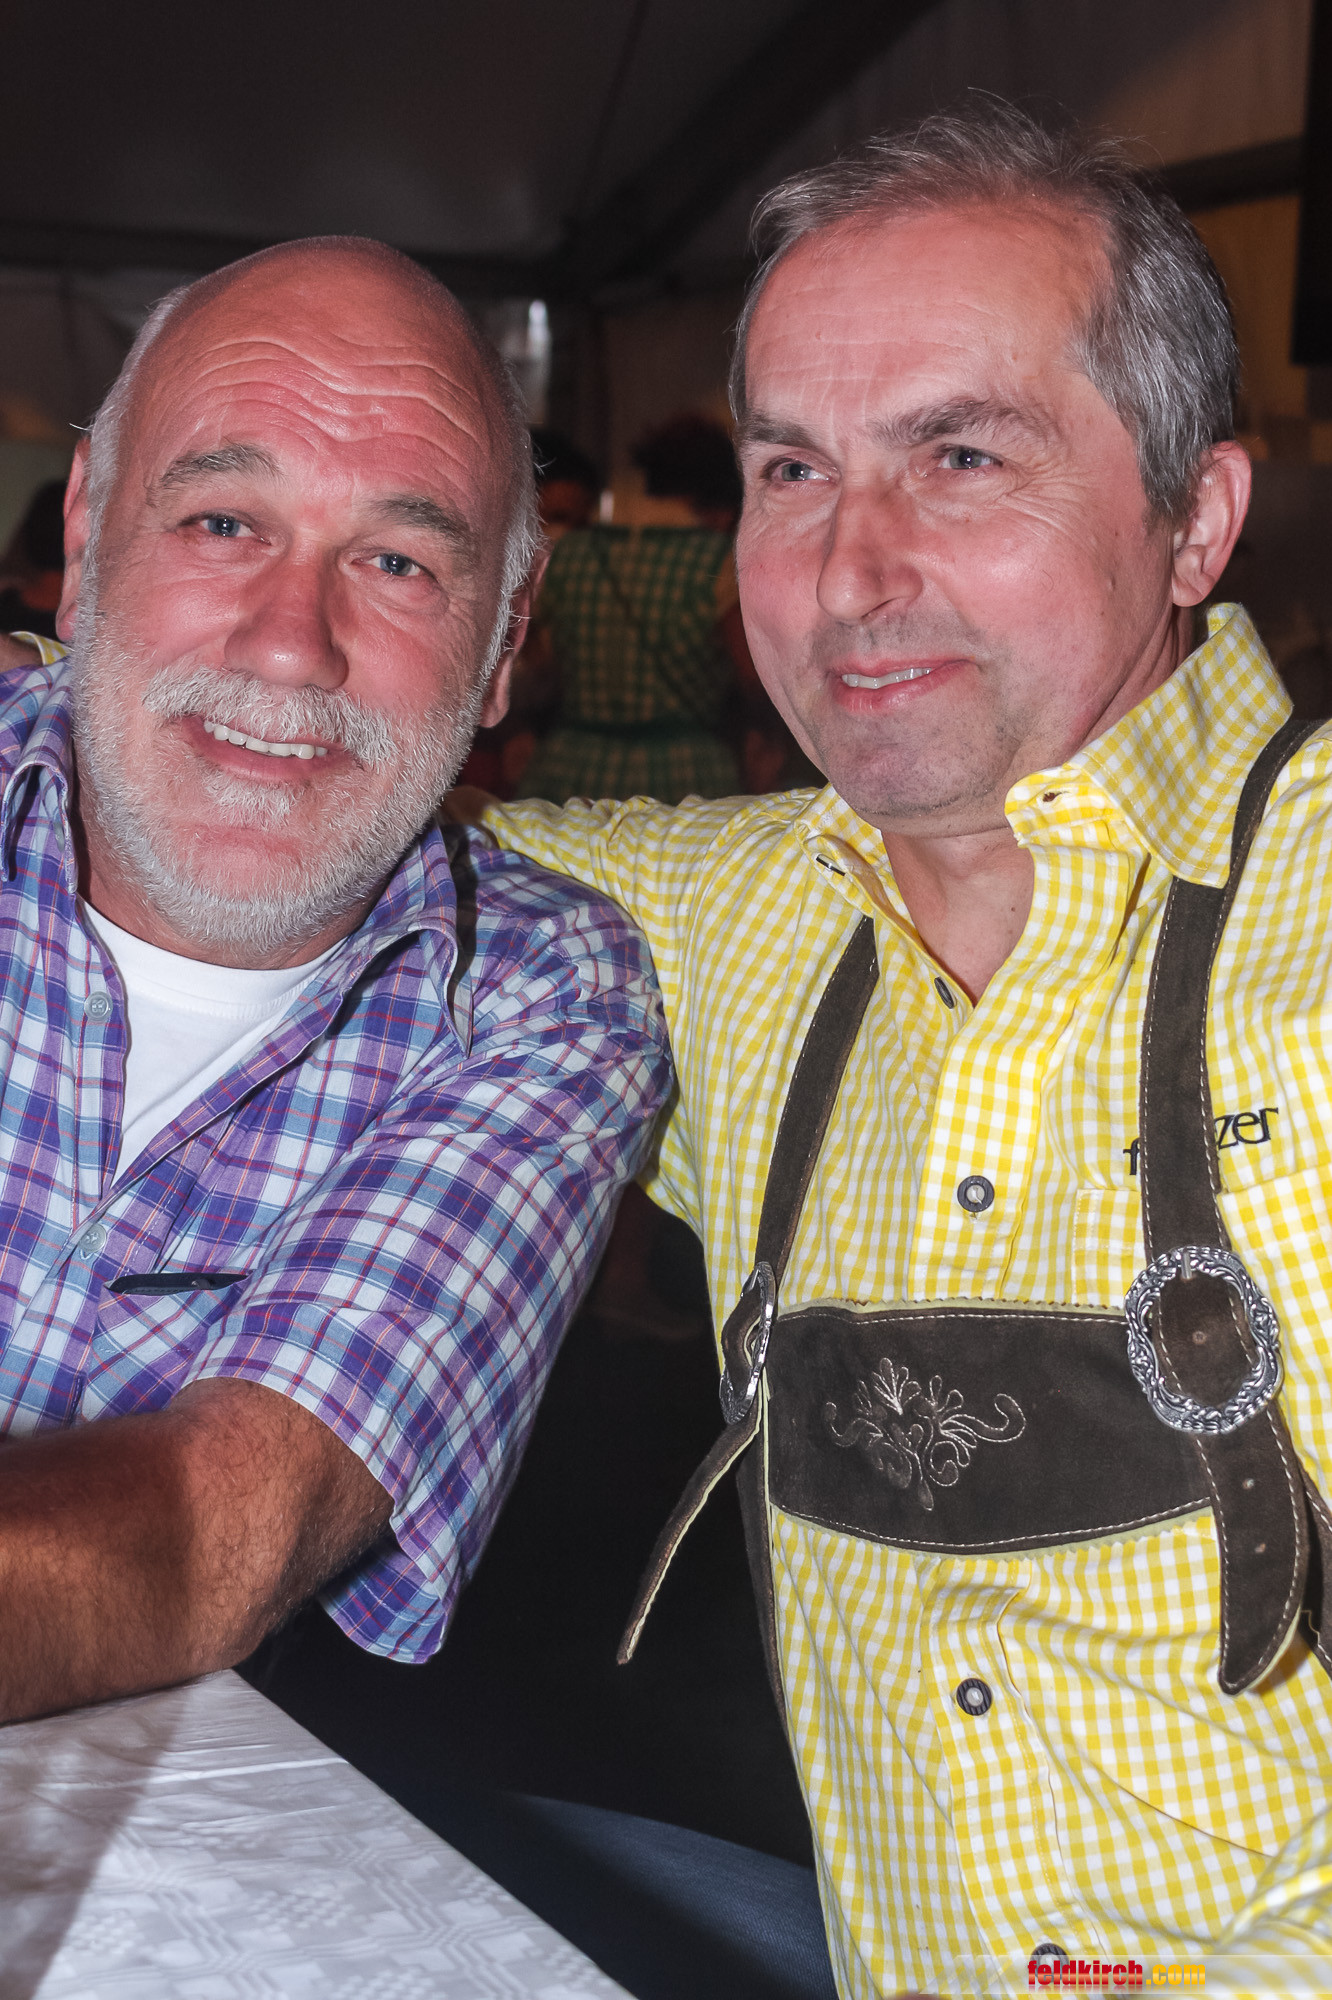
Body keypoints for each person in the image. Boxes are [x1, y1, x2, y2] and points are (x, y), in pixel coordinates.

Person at [458, 107, 1332, 1997]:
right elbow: (311, 834)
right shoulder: (716, 923)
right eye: (792, 469)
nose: (851, 569)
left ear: (1196, 519)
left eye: (960, 454)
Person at [0, 237, 670, 1728]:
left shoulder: (544, 999)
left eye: (398, 563)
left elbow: (223, 1529)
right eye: (223, 520)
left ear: (502, 639)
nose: (292, 648)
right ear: (89, 530)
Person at [517, 413, 751, 805]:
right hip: (686, 772)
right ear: (721, 501)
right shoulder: (718, 561)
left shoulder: (571, 552)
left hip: (573, 767)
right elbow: (751, 675)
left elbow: (524, 649)